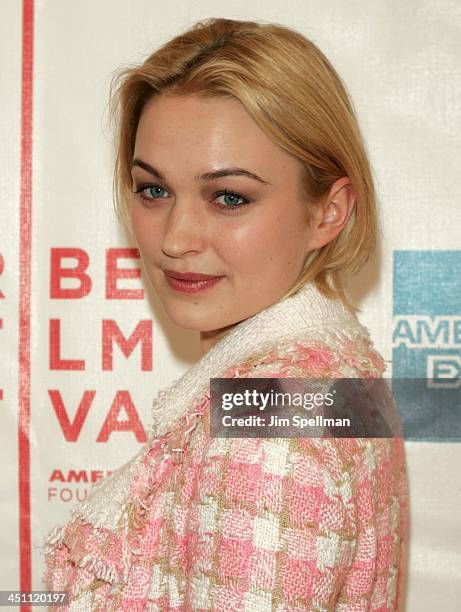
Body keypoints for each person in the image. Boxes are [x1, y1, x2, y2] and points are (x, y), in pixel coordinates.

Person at [42, 17, 408, 610]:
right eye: (153, 190)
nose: (176, 238)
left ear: (328, 211)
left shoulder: (266, 427)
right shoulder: (326, 375)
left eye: (229, 197)